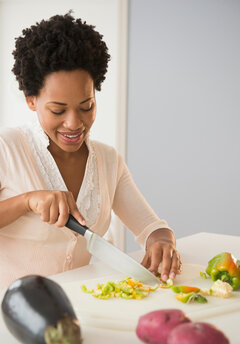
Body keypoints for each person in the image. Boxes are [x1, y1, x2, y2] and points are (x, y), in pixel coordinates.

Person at [0, 12, 182, 289]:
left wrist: (162, 240)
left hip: (78, 312)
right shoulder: (7, 148)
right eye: (58, 110)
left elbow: (150, 226)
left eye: (86, 106)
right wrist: (27, 201)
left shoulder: (108, 161)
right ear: (31, 100)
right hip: (10, 315)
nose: (74, 123)